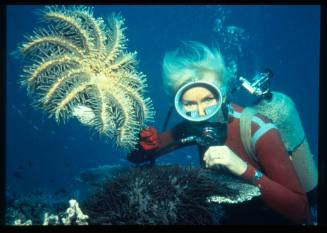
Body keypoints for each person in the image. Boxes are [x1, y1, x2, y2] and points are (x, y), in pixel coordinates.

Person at [127, 41, 311, 224]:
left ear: (222, 94)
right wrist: (144, 143)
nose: (200, 113)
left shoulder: (258, 131)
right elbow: (138, 157)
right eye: (190, 104)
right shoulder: (192, 125)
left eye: (208, 99)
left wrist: (243, 169)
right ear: (177, 104)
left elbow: (301, 211)